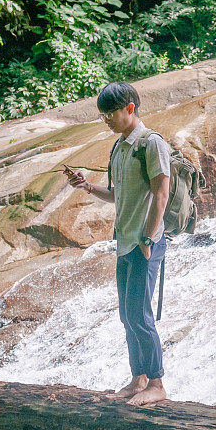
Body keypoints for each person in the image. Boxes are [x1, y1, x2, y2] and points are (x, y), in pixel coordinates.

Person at [66, 82, 170, 406]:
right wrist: (87, 186)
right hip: (124, 242)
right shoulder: (120, 148)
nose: (106, 119)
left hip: (144, 243)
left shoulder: (151, 144)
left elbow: (162, 193)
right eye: (102, 115)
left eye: (110, 113)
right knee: (127, 315)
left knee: (140, 315)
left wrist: (149, 238)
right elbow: (117, 196)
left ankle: (157, 383)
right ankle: (138, 378)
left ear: (129, 108)